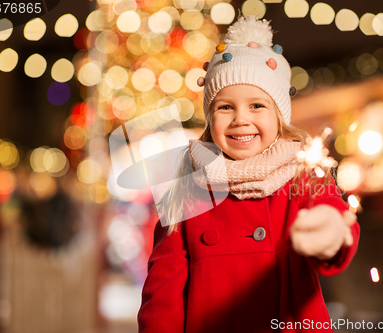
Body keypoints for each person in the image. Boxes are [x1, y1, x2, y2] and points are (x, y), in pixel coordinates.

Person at [138, 16, 360, 333]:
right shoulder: (189, 187)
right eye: (225, 107)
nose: (241, 119)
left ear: (279, 115)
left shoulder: (303, 175)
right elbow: (163, 287)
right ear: (209, 116)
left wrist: (332, 233)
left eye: (257, 106)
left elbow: (334, 221)